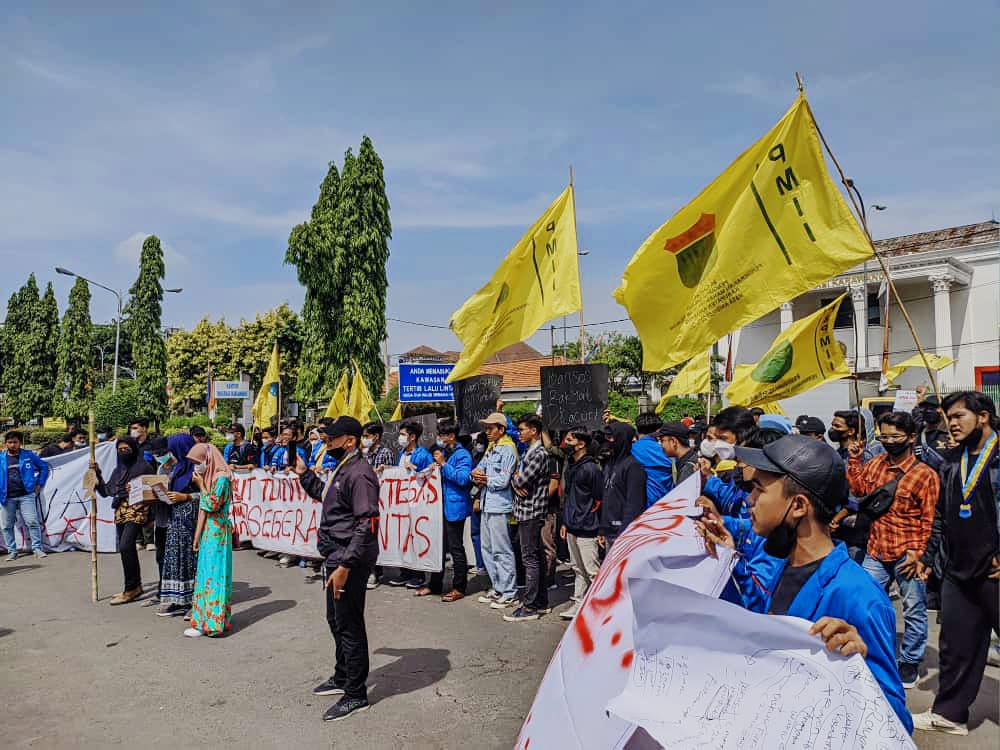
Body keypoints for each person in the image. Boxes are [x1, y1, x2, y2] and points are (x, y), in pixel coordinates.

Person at [698, 435, 912, 734]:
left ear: (798, 505)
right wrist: (729, 560)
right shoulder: (787, 566)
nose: (749, 499)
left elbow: (896, 724)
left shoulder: (858, 595)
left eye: (759, 488)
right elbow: (769, 623)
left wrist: (856, 666)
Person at [913, 391, 999, 736]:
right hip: (958, 572)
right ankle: (950, 714)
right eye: (948, 417)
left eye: (959, 415)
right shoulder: (951, 461)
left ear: (983, 416)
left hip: (994, 570)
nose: (952, 423)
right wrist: (929, 558)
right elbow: (939, 517)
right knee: (956, 646)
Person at [846, 411, 940, 690]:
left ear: (911, 438)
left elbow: (931, 519)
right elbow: (860, 488)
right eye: (884, 436)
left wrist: (922, 555)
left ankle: (910, 661)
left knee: (913, 610)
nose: (889, 441)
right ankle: (870, 652)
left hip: (909, 552)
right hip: (876, 548)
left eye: (895, 436)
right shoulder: (875, 464)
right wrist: (854, 458)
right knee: (865, 602)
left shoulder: (925, 475)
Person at [296, 417, 380, 722]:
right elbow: (328, 498)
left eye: (331, 439)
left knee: (349, 623)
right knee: (335, 618)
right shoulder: (343, 467)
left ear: (349, 440)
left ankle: (356, 694)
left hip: (350, 559)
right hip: (336, 555)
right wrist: (305, 476)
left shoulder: (359, 473)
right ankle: (343, 675)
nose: (325, 443)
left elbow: (367, 523)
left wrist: (346, 564)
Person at [93, 436, 154, 604]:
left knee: (126, 545)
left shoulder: (144, 467)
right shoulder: (118, 471)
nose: (123, 452)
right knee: (126, 549)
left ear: (134, 449)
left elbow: (154, 490)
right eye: (120, 449)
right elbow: (107, 491)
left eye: (126, 449)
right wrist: (96, 473)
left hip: (138, 509)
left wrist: (137, 488)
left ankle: (131, 588)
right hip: (121, 510)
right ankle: (135, 586)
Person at [184, 442, 233, 638]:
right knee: (204, 576)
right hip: (207, 533)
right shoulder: (210, 477)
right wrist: (196, 537)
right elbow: (203, 511)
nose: (197, 467)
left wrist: (201, 485)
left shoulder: (221, 479)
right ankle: (201, 620)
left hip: (218, 533)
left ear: (208, 459)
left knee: (215, 577)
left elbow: (212, 504)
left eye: (198, 462)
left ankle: (213, 624)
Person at [420, 423, 472, 602]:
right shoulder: (442, 454)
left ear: (451, 436)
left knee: (456, 548)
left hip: (454, 507)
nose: (439, 439)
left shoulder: (462, 454)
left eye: (442, 435)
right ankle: (434, 584)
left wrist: (443, 464)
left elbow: (463, 479)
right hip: (437, 507)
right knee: (437, 547)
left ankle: (459, 587)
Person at [472, 413, 519, 610]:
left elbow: (503, 481)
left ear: (501, 429)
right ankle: (498, 587)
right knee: (488, 549)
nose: (488, 432)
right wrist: (478, 475)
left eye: (492, 428)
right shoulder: (492, 449)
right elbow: (477, 470)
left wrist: (485, 479)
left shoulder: (508, 449)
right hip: (486, 503)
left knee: (502, 549)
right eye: (486, 428)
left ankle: (509, 592)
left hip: (500, 505)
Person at [508, 416, 552, 621]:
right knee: (536, 557)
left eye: (522, 429)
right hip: (524, 510)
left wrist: (516, 480)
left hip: (532, 511)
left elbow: (522, 478)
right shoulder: (528, 452)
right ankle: (541, 601)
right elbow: (513, 475)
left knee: (530, 559)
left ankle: (531, 605)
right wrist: (515, 481)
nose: (519, 433)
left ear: (533, 431)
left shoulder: (539, 454)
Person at [559, 428, 602, 620]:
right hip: (572, 524)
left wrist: (597, 526)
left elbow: (599, 499)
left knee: (592, 570)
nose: (565, 442)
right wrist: (566, 523)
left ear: (581, 443)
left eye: (569, 439)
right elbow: (569, 496)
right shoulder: (572, 465)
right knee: (577, 568)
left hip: (587, 526)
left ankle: (602, 608)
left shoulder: (591, 468)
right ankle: (578, 602)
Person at [157, 434, 199, 617]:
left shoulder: (198, 468)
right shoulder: (175, 468)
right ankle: (177, 599)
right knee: (176, 559)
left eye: (172, 450)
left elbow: (211, 494)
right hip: (175, 521)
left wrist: (187, 496)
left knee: (191, 560)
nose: (169, 454)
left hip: (193, 522)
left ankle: (195, 602)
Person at [387, 421, 433, 588]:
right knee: (402, 538)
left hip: (416, 504)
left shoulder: (423, 454)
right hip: (401, 503)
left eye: (403, 434)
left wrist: (413, 467)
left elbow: (430, 476)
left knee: (416, 539)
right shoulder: (401, 453)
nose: (400, 438)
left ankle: (418, 575)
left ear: (413, 437)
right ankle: (404, 573)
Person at [1, 430, 50, 560]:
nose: (12, 445)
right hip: (6, 497)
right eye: (9, 442)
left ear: (20, 443)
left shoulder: (28, 455)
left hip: (26, 495)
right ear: (5, 443)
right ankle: (12, 551)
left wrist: (39, 483)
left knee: (32, 522)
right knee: (7, 526)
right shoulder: (1, 458)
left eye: (15, 442)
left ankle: (37, 549)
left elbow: (44, 467)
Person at [598, 421, 647, 549]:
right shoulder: (609, 464)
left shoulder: (633, 467)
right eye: (607, 437)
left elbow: (634, 505)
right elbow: (607, 497)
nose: (608, 441)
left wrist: (624, 534)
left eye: (611, 437)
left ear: (621, 439)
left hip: (622, 534)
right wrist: (602, 529)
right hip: (609, 531)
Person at [359, 422, 394, 589]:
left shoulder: (385, 453)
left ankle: (376, 571)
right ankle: (367, 569)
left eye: (367, 436)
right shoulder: (363, 453)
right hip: (364, 499)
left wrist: (383, 470)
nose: (364, 440)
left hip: (380, 500)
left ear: (376, 437)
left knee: (375, 536)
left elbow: (391, 475)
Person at [631, 412, 673, 508]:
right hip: (666, 503)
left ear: (637, 429)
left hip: (641, 505)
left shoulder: (631, 449)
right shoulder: (666, 449)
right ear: (658, 430)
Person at [655, 422, 698, 486]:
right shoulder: (692, 459)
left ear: (673, 441)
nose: (660, 445)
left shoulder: (688, 467)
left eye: (662, 440)